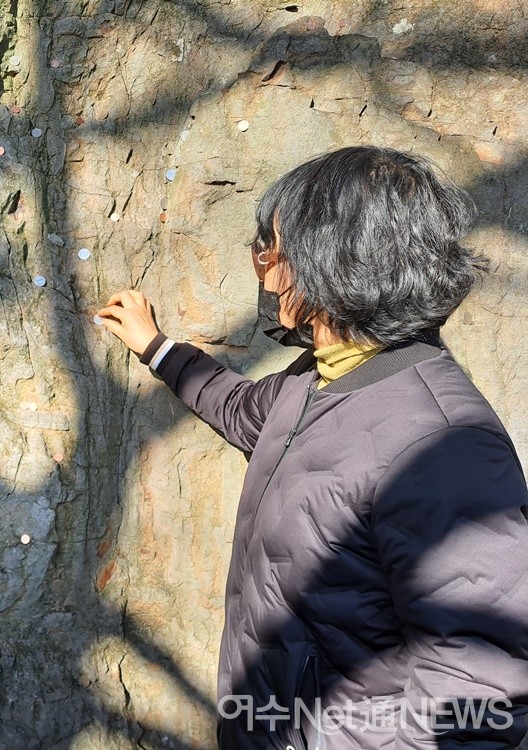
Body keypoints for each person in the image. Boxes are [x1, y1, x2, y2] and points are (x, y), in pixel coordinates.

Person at [98, 146, 528, 749]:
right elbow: (239, 407)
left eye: (273, 250)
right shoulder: (318, 379)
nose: (266, 273)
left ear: (333, 260)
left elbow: (481, 695)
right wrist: (158, 348)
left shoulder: (442, 445)